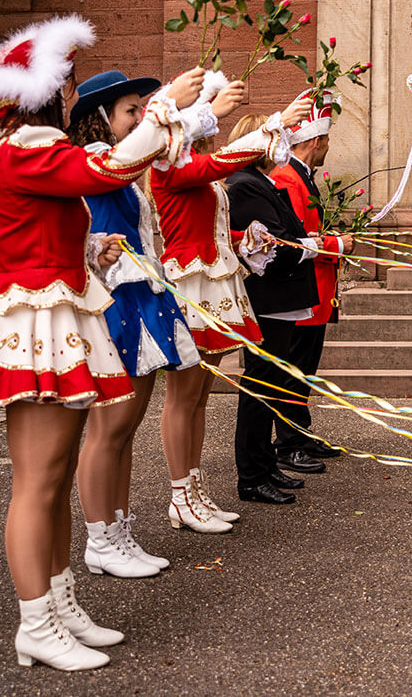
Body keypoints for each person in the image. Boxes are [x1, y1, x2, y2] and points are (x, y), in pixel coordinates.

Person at [0, 15, 202, 670]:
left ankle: (59, 604)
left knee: (54, 477)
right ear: (43, 92)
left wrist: (89, 247)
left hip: (52, 311)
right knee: (37, 482)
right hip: (37, 320)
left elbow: (48, 220)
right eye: (65, 84)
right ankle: (36, 619)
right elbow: (112, 166)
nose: (70, 94)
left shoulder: (27, 148)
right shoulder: (30, 146)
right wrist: (167, 107)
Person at [65, 70, 238, 577]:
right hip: (116, 303)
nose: (139, 117)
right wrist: (174, 107)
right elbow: (86, 240)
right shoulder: (95, 164)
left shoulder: (118, 169)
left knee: (126, 426)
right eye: (129, 111)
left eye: (142, 108)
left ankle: (119, 528)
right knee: (108, 427)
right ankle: (100, 535)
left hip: (143, 298)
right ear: (100, 121)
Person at [149, 95, 304, 531]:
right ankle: (180, 495)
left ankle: (196, 491)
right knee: (182, 397)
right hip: (189, 283)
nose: (210, 127)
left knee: (199, 396)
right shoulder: (168, 166)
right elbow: (219, 165)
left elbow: (209, 223)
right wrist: (275, 123)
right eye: (201, 121)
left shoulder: (193, 165)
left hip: (215, 278)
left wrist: (243, 239)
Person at [226, 116, 321, 505]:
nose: (285, 144)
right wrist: (318, 245)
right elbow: (271, 249)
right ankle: (251, 475)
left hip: (281, 300)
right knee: (259, 386)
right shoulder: (246, 185)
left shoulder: (260, 182)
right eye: (278, 138)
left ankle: (265, 464)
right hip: (268, 299)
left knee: (271, 384)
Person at [270, 93, 352, 470]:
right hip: (303, 289)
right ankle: (288, 444)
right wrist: (337, 244)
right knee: (294, 369)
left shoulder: (302, 176)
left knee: (306, 370)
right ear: (316, 141)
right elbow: (295, 237)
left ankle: (300, 432)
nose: (328, 147)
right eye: (327, 141)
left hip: (317, 288)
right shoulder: (287, 178)